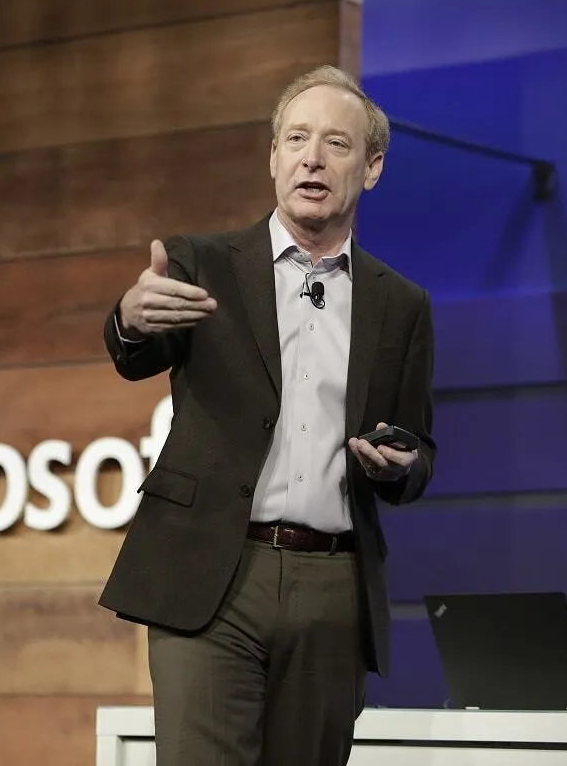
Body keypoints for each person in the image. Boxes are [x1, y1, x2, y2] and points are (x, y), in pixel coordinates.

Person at [98, 65, 437, 766]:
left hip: (332, 583)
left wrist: (400, 466)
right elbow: (137, 352)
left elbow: (417, 450)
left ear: (372, 167)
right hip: (211, 574)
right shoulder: (203, 263)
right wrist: (130, 318)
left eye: (337, 144)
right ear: (274, 156)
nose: (313, 158)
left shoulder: (401, 305)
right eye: (297, 139)